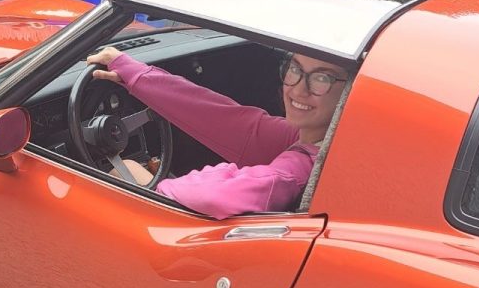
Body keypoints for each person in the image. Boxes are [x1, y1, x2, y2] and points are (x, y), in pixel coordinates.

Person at [84, 45, 349, 219]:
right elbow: (221, 117)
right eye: (296, 69)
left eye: (322, 78)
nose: (298, 89)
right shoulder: (316, 137)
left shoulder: (301, 167)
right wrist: (133, 72)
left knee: (124, 168)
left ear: (350, 93)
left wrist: (162, 185)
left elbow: (211, 196)